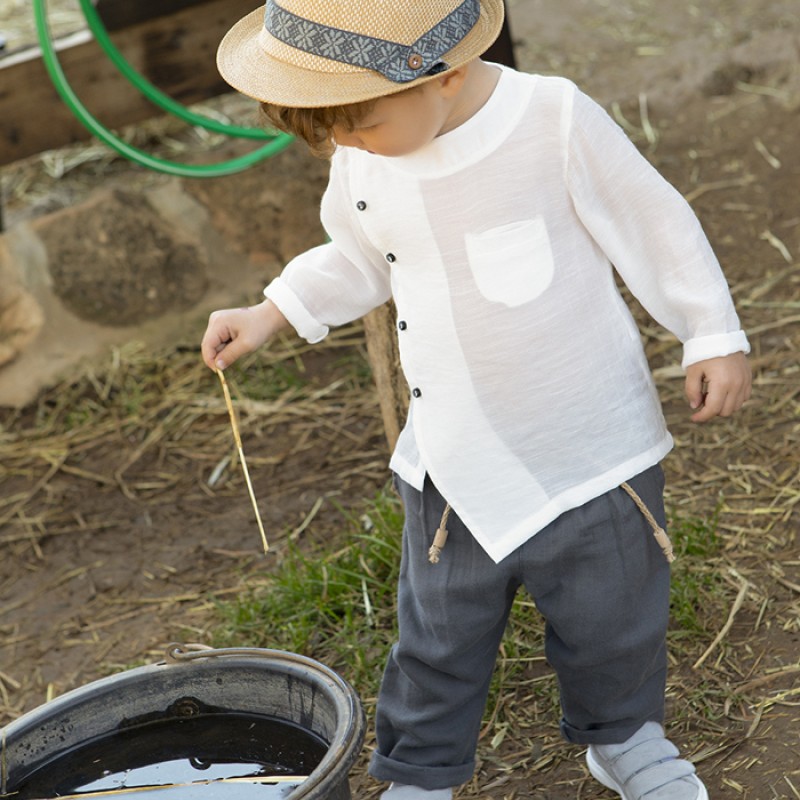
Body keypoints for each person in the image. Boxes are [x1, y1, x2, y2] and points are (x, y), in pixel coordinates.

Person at [201, 2, 752, 798]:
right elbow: (359, 257)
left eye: (356, 122)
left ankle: (625, 737)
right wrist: (271, 312)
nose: (343, 143)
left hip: (591, 445)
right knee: (437, 640)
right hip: (456, 462)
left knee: (614, 617)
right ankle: (421, 773)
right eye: (327, 130)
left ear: (446, 73)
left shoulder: (551, 119)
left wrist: (710, 331)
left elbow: (652, 219)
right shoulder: (365, 150)